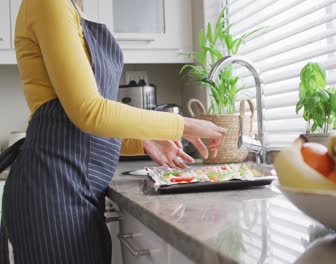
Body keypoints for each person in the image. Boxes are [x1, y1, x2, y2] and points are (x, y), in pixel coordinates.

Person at [0, 0, 226, 263]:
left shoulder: (71, 10)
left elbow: (82, 125)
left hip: (74, 187)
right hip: (53, 190)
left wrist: (139, 141)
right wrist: (182, 124)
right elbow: (88, 110)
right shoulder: (49, 3)